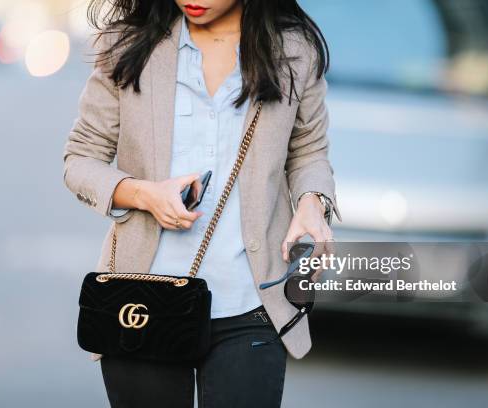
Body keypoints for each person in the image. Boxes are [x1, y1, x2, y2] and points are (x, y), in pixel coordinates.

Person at [63, 0, 341, 406]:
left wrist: (313, 203)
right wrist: (145, 195)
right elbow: (80, 159)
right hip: (142, 301)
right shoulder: (129, 44)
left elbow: (309, 151)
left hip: (251, 302)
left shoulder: (293, 50)